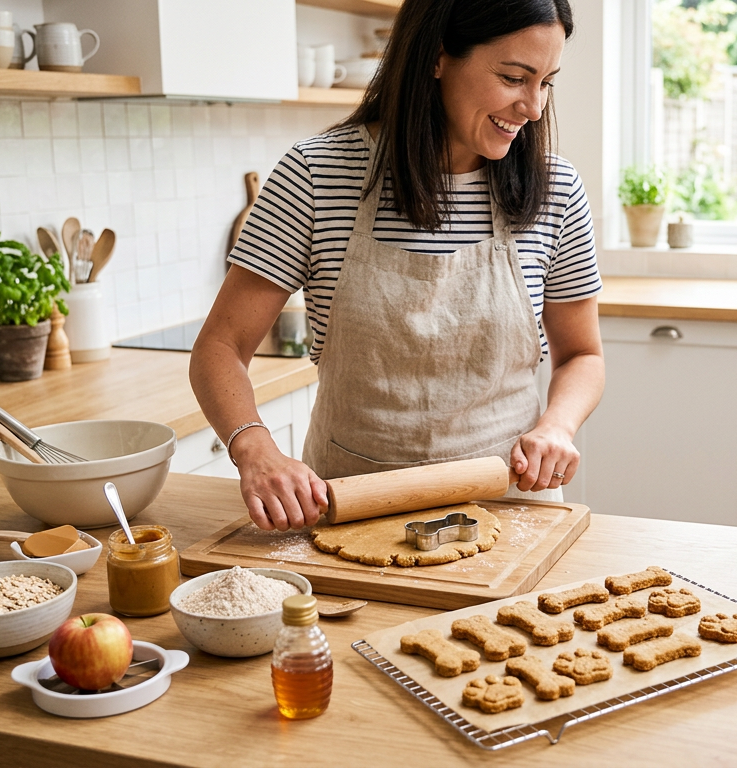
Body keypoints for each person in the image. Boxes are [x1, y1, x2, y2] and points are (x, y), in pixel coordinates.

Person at [190, 0, 603, 531]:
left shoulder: (556, 189)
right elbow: (219, 347)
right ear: (436, 57)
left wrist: (557, 427)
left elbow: (583, 355)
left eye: (547, 82)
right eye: (513, 77)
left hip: (508, 503)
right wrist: (254, 448)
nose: (534, 107)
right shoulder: (316, 175)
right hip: (349, 502)